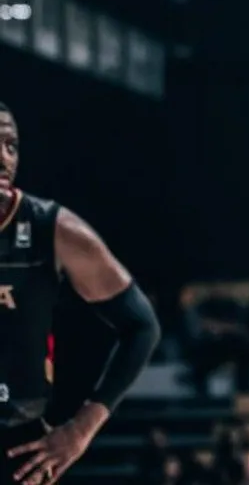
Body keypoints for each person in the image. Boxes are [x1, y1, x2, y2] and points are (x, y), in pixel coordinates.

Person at [0, 101, 161, 484]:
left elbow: (142, 327)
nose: (4, 158)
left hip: (16, 446)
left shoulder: (52, 229)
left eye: (11, 145)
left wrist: (81, 430)